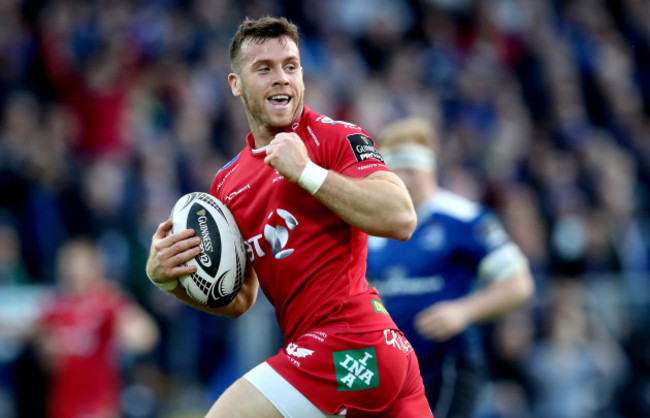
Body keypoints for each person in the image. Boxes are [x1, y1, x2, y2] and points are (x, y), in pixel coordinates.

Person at [146, 16, 433, 417]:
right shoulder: (227, 184)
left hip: (350, 341)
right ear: (236, 85)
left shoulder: (334, 137)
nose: (281, 78)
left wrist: (307, 173)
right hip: (362, 356)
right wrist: (171, 280)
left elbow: (401, 218)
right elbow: (239, 297)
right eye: (264, 68)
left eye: (291, 66)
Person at [365, 117, 534, 418]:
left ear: (430, 168)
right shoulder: (374, 226)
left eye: (410, 170)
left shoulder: (463, 218)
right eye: (395, 170)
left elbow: (519, 283)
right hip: (388, 368)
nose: (402, 178)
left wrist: (463, 311)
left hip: (445, 365)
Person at [35, 237, 159, 418]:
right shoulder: (54, 306)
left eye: (79, 262)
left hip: (100, 408)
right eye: (68, 262)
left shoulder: (107, 301)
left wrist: (125, 318)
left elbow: (146, 337)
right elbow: (46, 360)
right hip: (62, 407)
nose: (73, 269)